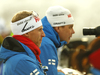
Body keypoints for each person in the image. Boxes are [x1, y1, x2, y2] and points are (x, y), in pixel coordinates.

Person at [0, 10, 46, 75]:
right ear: (26, 33)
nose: (43, 34)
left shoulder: (21, 56)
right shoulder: (22, 61)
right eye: (39, 30)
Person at [40, 5, 75, 75]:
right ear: (58, 28)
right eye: (70, 27)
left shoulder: (46, 41)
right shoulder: (46, 44)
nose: (73, 31)